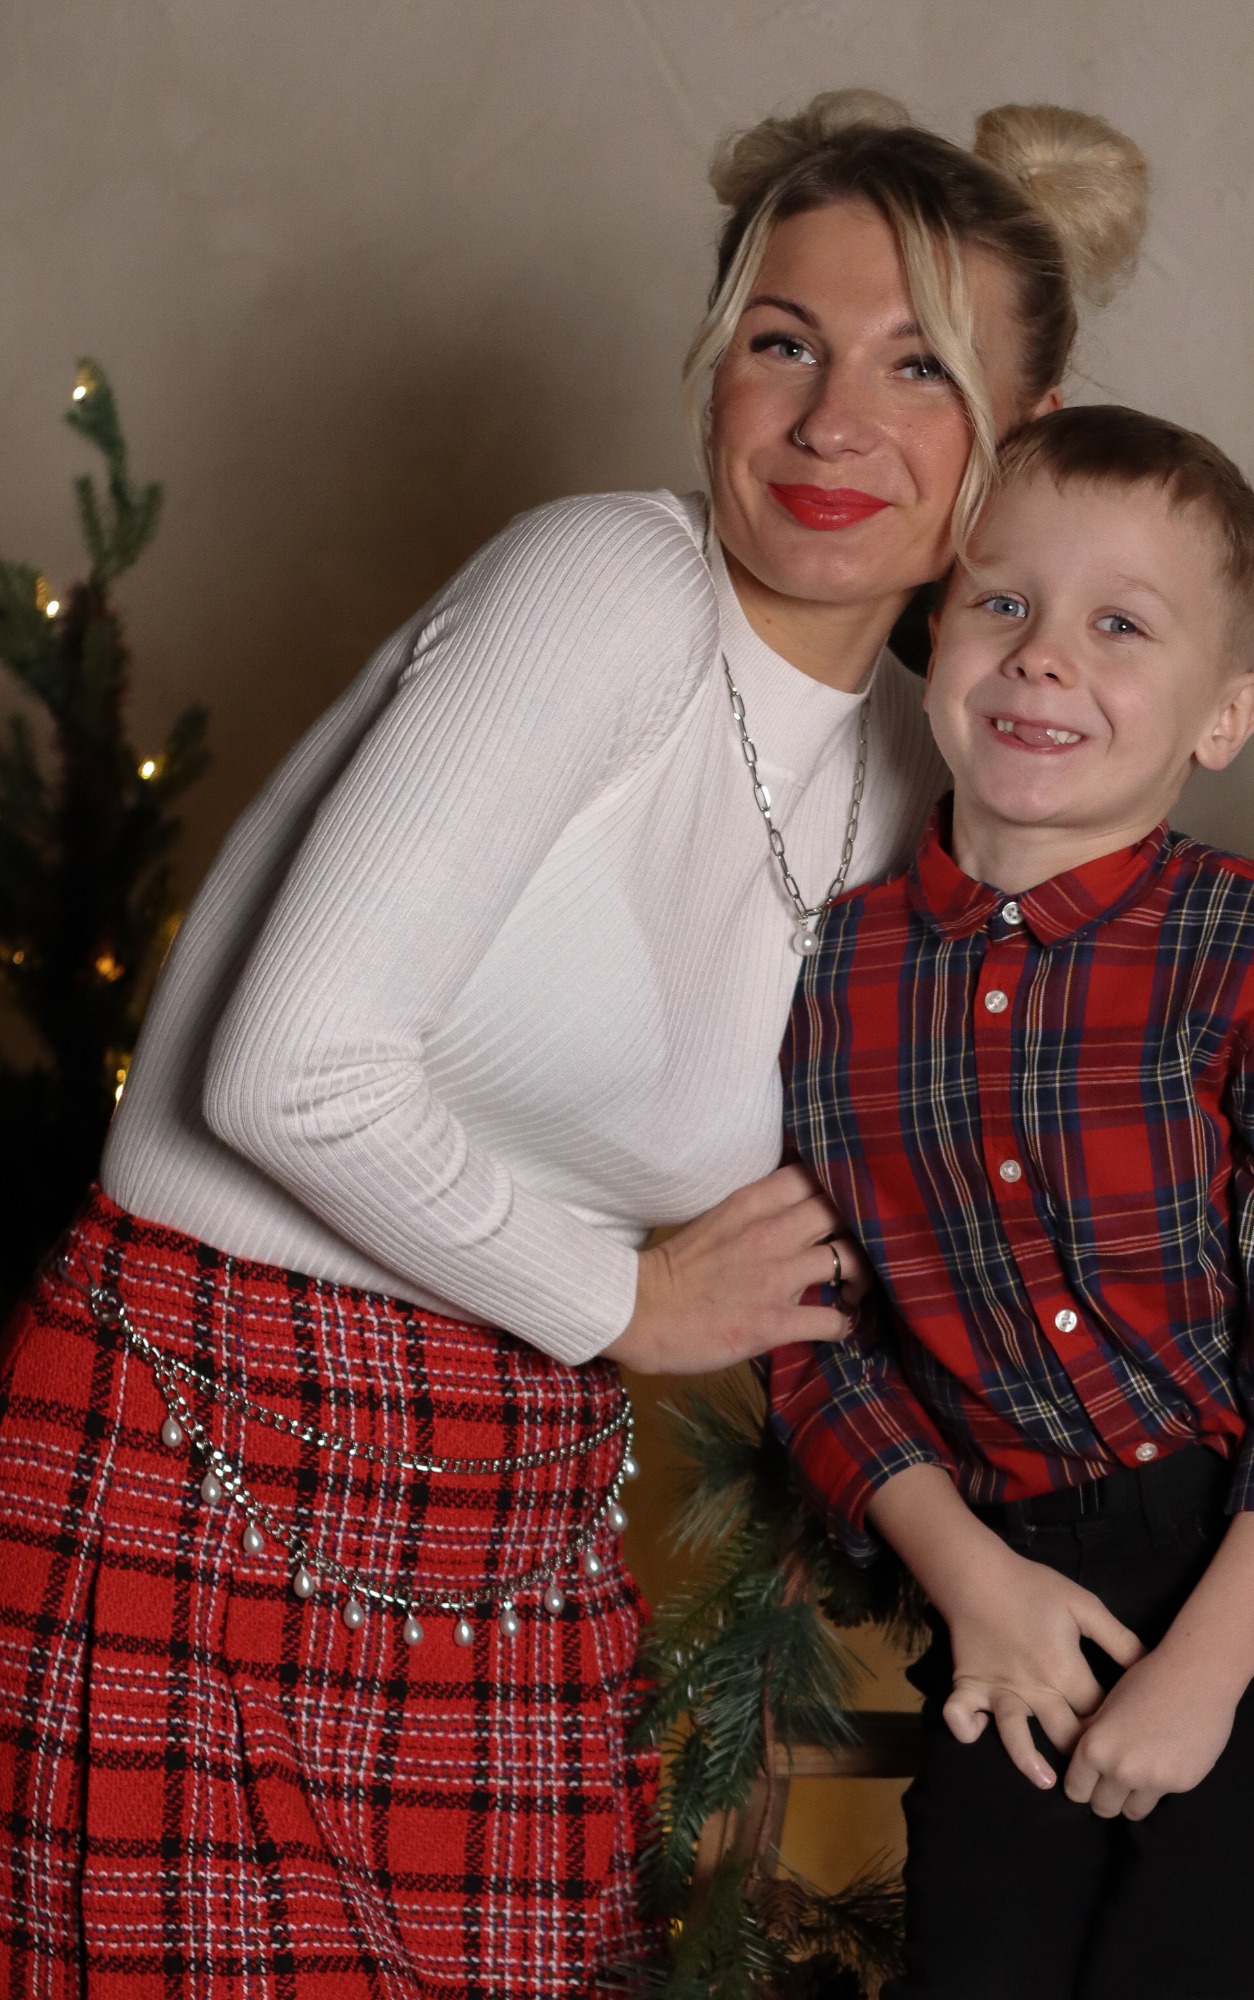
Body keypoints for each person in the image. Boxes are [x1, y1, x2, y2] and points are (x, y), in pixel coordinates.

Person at [0, 94, 1150, 1997]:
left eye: (917, 367)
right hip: (196, 1441)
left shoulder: (915, 776)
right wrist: (624, 1300)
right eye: (782, 341)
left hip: (513, 1512)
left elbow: (898, 1216)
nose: (832, 421)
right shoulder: (603, 583)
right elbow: (282, 1071)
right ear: (714, 363)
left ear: (1016, 434)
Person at [771, 404, 1254, 2000]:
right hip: (1008, 1577)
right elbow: (807, 1333)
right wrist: (973, 1584)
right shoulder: (825, 971)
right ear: (934, 637)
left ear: (1225, 713)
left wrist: (1207, 1670)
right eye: (1001, 601)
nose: (1044, 656)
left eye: (1121, 625)